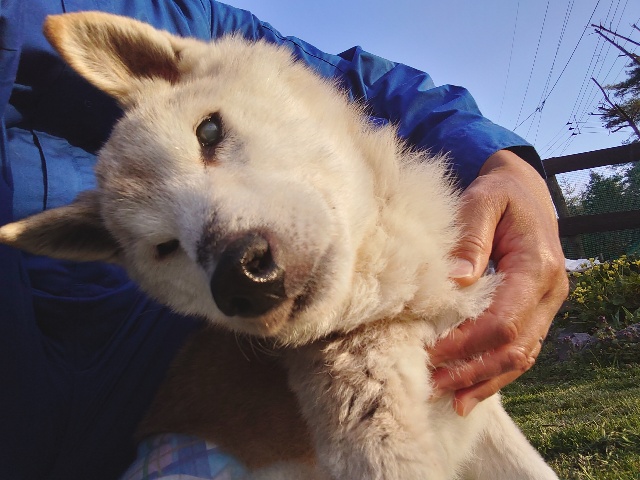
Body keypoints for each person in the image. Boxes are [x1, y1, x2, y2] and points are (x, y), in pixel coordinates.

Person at [0, 1, 568, 479]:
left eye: (210, 135)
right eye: (165, 247)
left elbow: (352, 78)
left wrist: (504, 161)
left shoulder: (166, 22)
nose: (231, 260)